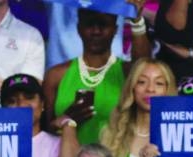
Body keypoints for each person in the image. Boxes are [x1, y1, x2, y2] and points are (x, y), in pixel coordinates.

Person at [44, 9, 150, 146]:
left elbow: (144, 67)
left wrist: (137, 21)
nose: (96, 31)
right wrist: (66, 119)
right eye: (89, 24)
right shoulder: (56, 75)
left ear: (115, 29)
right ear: (79, 28)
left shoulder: (126, 72)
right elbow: (45, 132)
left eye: (103, 25)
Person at [100, 58, 189, 157]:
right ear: (132, 88)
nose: (150, 89)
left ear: (168, 90)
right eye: (142, 82)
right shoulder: (111, 132)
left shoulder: (181, 135)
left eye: (159, 83)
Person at [0, 73, 78, 157]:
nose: (22, 105)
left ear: (42, 104)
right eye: (12, 101)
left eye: (29, 97)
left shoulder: (57, 144)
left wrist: (68, 125)